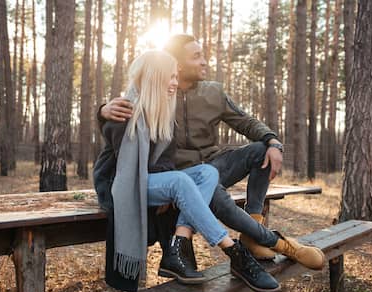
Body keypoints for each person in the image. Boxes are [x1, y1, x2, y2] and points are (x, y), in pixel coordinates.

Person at [99, 35, 325, 271]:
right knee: (216, 196)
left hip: (216, 163)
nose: (204, 61)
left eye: (203, 55)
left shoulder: (213, 93)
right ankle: (278, 243)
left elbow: (245, 121)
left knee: (261, 151)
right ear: (175, 64)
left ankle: (252, 232)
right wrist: (103, 110)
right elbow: (128, 121)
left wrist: (273, 141)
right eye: (196, 57)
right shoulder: (163, 92)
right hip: (184, 173)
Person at [93, 50, 281, 292]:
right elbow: (128, 169)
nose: (174, 83)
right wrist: (167, 186)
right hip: (122, 185)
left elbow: (165, 161)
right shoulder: (124, 112)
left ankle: (178, 243)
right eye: (169, 77)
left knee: (207, 174)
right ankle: (234, 251)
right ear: (153, 77)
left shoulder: (164, 115)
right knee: (180, 181)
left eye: (175, 77)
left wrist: (165, 186)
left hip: (150, 181)